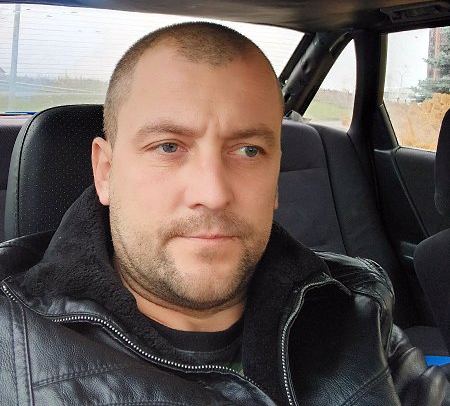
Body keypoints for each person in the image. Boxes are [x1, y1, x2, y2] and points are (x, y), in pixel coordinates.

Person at [0, 21, 448, 405]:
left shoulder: (355, 305)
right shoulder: (12, 341)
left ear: (275, 178)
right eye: (169, 147)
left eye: (248, 150)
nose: (213, 194)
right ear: (106, 172)